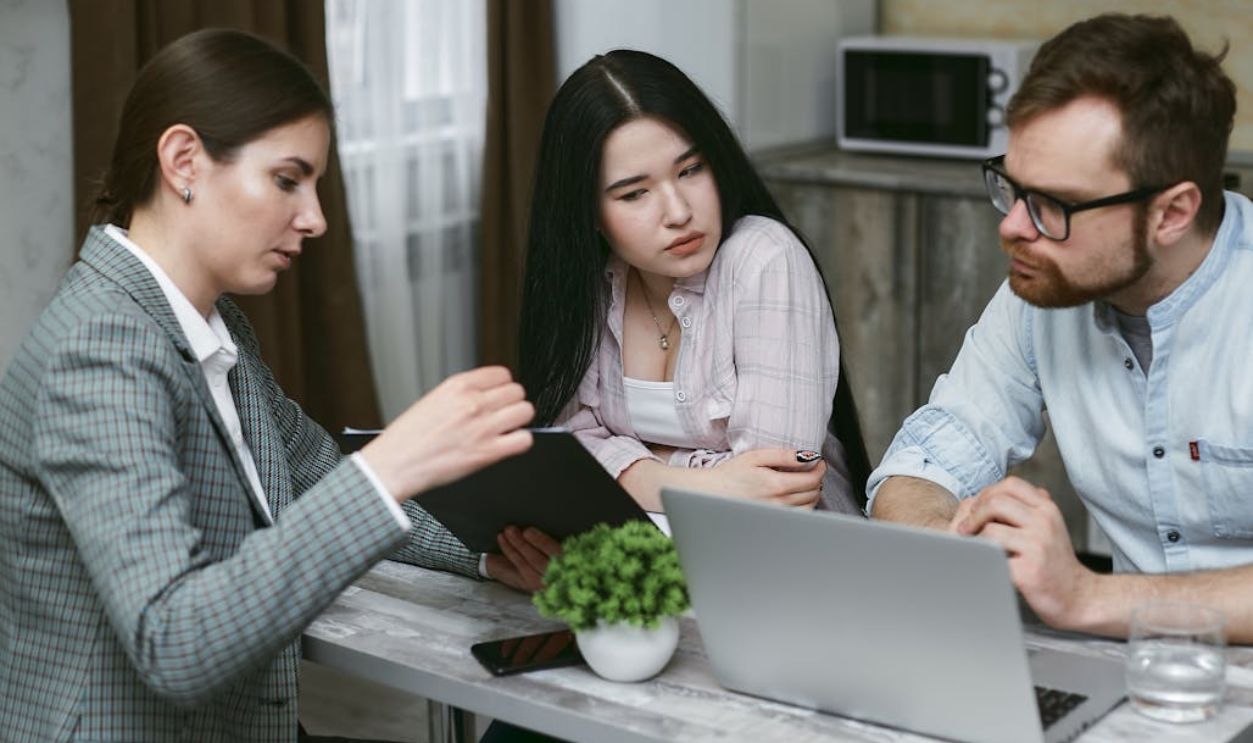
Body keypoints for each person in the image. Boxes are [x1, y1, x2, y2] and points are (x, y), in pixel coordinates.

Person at [0, 29, 538, 741]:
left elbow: (317, 473)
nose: (314, 219)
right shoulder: (101, 349)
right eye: (287, 180)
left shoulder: (211, 327)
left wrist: (484, 550)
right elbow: (174, 639)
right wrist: (391, 464)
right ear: (183, 160)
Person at [867, 14, 1253, 641]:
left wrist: (1087, 597)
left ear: (1172, 212)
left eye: (1052, 205)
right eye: (1012, 188)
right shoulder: (1046, 287)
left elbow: (1083, 600)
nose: (1013, 226)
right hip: (1140, 681)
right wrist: (945, 543)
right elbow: (928, 457)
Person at [517, 49, 872, 516]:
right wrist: (704, 480)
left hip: (782, 562)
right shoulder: (589, 280)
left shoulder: (766, 258)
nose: (679, 212)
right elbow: (564, 451)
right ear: (589, 214)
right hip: (637, 553)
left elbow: (774, 491)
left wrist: (633, 468)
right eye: (635, 193)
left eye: (691, 170)